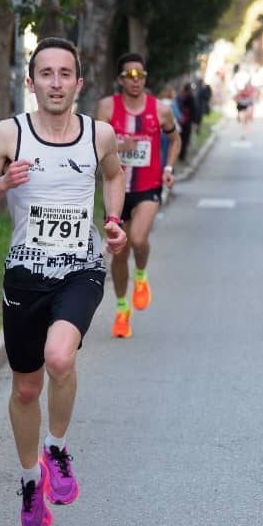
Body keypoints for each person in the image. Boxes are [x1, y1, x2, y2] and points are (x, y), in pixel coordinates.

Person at [0, 37, 128, 526]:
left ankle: (56, 448)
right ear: (31, 83)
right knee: (26, 388)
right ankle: (30, 480)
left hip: (80, 268)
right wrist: (1, 186)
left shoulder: (99, 135)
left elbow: (114, 176)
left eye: (65, 74)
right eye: (46, 74)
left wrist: (113, 220)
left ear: (79, 82)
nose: (56, 83)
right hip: (25, 275)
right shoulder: (9, 134)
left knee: (60, 358)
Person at [95, 53, 180, 339]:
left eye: (140, 75)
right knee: (120, 254)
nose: (136, 80)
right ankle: (122, 311)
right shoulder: (107, 107)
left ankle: (141, 276)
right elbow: (95, 143)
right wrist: (119, 145)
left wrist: (168, 168)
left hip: (147, 187)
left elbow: (175, 139)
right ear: (120, 79)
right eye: (130, 76)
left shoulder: (161, 110)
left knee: (139, 239)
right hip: (116, 190)